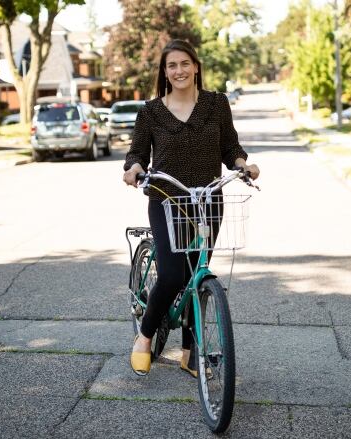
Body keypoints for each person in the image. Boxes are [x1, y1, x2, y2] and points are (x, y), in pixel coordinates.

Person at [122, 39, 260, 376]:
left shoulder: (216, 104)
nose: (179, 70)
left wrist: (244, 164)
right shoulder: (151, 111)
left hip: (209, 201)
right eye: (172, 65)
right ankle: (145, 336)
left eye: (185, 63)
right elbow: (137, 154)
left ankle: (189, 353)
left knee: (196, 277)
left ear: (195, 66)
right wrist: (134, 169)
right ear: (165, 72)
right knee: (172, 275)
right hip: (167, 200)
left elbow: (230, 147)